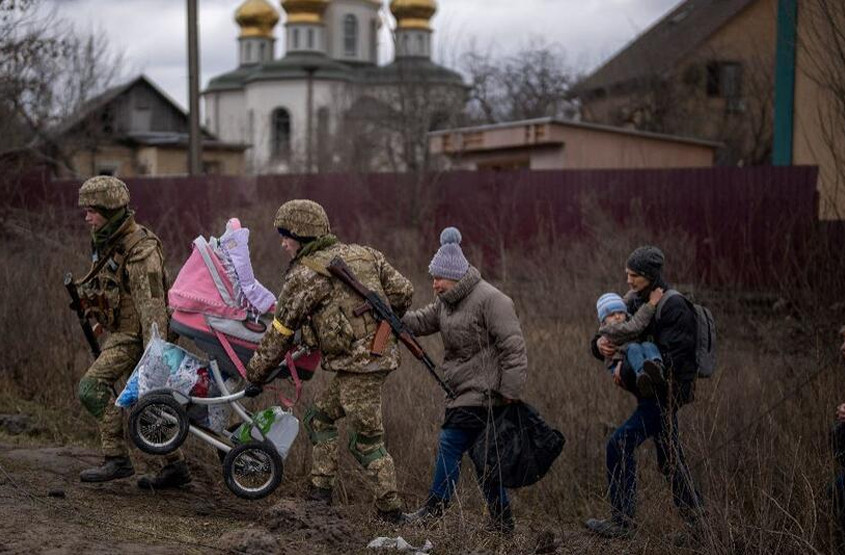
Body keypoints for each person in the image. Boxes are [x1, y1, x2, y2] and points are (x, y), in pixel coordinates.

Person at [245, 199, 413, 524]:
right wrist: (376, 326)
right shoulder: (366, 254)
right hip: (371, 360)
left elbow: (279, 333)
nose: (283, 243)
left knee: (366, 441)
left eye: (286, 236)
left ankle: (391, 512)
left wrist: (255, 376)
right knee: (318, 419)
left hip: (360, 367)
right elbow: (404, 293)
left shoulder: (305, 275)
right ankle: (320, 495)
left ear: (304, 236)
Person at [400, 227, 527, 534]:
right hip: (460, 391)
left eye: (438, 278)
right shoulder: (446, 304)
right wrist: (390, 315)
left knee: (450, 442)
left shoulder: (492, 299)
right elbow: (419, 322)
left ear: (455, 276)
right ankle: (502, 521)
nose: (434, 284)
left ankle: (435, 509)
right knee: (483, 460)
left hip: (486, 392)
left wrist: (510, 391)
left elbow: (514, 347)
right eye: (433, 278)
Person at [75, 176, 191, 488]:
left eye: (92, 211)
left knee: (91, 387)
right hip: (122, 331)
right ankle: (175, 466)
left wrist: (155, 354)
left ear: (110, 211)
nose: (87, 216)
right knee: (145, 400)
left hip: (137, 336)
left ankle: (116, 458)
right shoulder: (107, 240)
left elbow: (152, 306)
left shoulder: (141, 251)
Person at [586, 245, 704, 541]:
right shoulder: (637, 300)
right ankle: (699, 528)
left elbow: (677, 364)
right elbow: (613, 328)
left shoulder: (674, 306)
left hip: (664, 396)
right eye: (627, 274)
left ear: (649, 276)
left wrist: (625, 371)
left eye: (633, 275)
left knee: (619, 445)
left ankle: (623, 522)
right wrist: (598, 345)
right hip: (649, 395)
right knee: (671, 460)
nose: (627, 280)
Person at [596, 289, 666, 397]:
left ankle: (657, 367)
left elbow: (624, 301)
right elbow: (635, 326)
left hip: (630, 355)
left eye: (620, 312)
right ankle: (642, 375)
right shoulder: (612, 329)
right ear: (603, 321)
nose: (617, 316)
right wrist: (651, 304)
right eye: (611, 315)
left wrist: (635, 289)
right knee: (634, 347)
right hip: (618, 361)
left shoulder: (623, 319)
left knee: (648, 345)